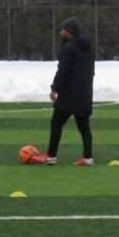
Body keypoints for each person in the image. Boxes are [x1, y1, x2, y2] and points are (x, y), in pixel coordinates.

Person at [43, 17, 95, 166]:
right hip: (84, 93)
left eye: (64, 30)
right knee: (84, 126)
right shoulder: (88, 48)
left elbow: (63, 71)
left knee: (56, 123)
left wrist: (54, 89)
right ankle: (88, 157)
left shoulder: (68, 48)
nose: (61, 32)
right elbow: (91, 72)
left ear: (70, 32)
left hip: (68, 95)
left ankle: (51, 155)